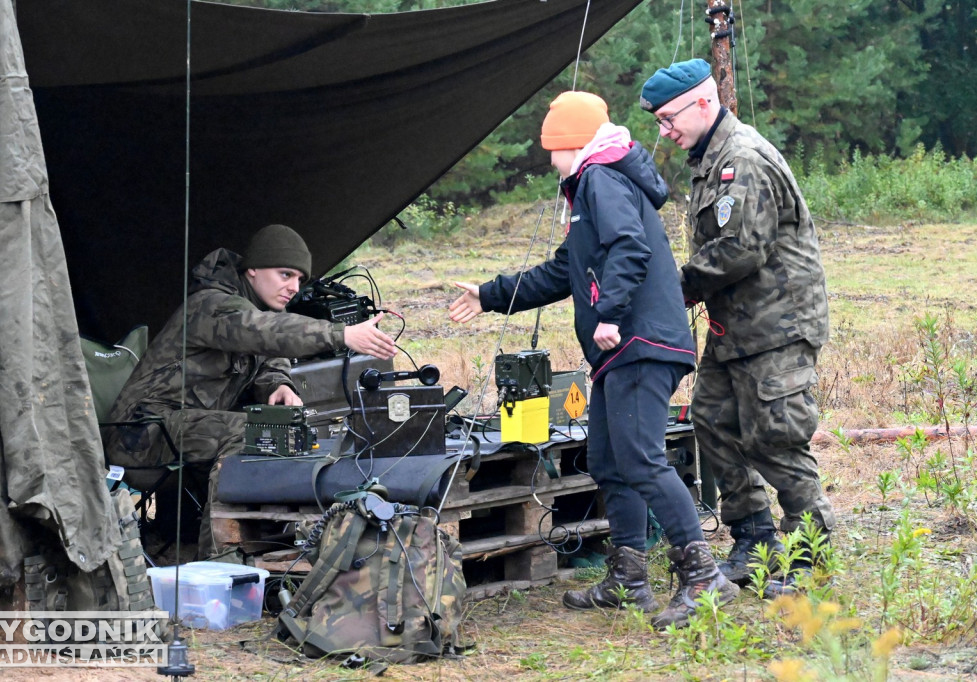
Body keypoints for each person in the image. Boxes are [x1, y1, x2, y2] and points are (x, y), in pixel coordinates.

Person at [448, 91, 738, 628]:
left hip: (637, 342)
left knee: (642, 458)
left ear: (571, 142)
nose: (548, 158)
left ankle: (702, 577)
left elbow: (630, 246)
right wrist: (490, 294)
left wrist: (608, 313)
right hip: (622, 351)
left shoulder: (602, 178)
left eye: (552, 147)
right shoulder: (591, 185)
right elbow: (564, 271)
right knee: (609, 459)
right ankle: (628, 578)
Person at [640, 59, 835, 596]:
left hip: (777, 326)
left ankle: (808, 554)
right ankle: (754, 538)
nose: (665, 130)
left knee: (776, 440)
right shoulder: (710, 158)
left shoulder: (742, 158)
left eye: (669, 118)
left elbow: (739, 250)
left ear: (705, 101)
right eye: (658, 122)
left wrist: (670, 291)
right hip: (737, 327)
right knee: (711, 422)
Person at [106, 224, 397, 558]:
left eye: (300, 279)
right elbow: (262, 333)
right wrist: (341, 334)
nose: (293, 287)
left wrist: (279, 385)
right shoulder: (212, 305)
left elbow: (267, 355)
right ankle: (221, 560)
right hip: (139, 436)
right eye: (285, 274)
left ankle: (262, 547)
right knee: (253, 433)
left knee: (279, 429)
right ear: (253, 269)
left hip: (179, 430)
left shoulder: (253, 307)